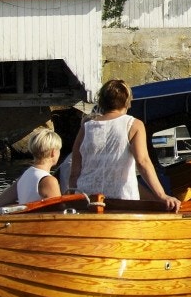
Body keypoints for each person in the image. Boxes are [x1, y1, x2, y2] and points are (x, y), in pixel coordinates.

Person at [70, 79, 181, 211]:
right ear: (127, 102)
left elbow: (75, 170)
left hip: (88, 199)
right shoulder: (133, 125)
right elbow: (143, 162)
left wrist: (72, 198)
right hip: (122, 199)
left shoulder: (86, 127)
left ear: (102, 101)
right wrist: (162, 195)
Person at [0, 126, 63, 209]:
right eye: (59, 150)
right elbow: (58, 212)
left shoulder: (24, 177)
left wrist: (22, 207)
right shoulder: (49, 181)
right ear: (53, 152)